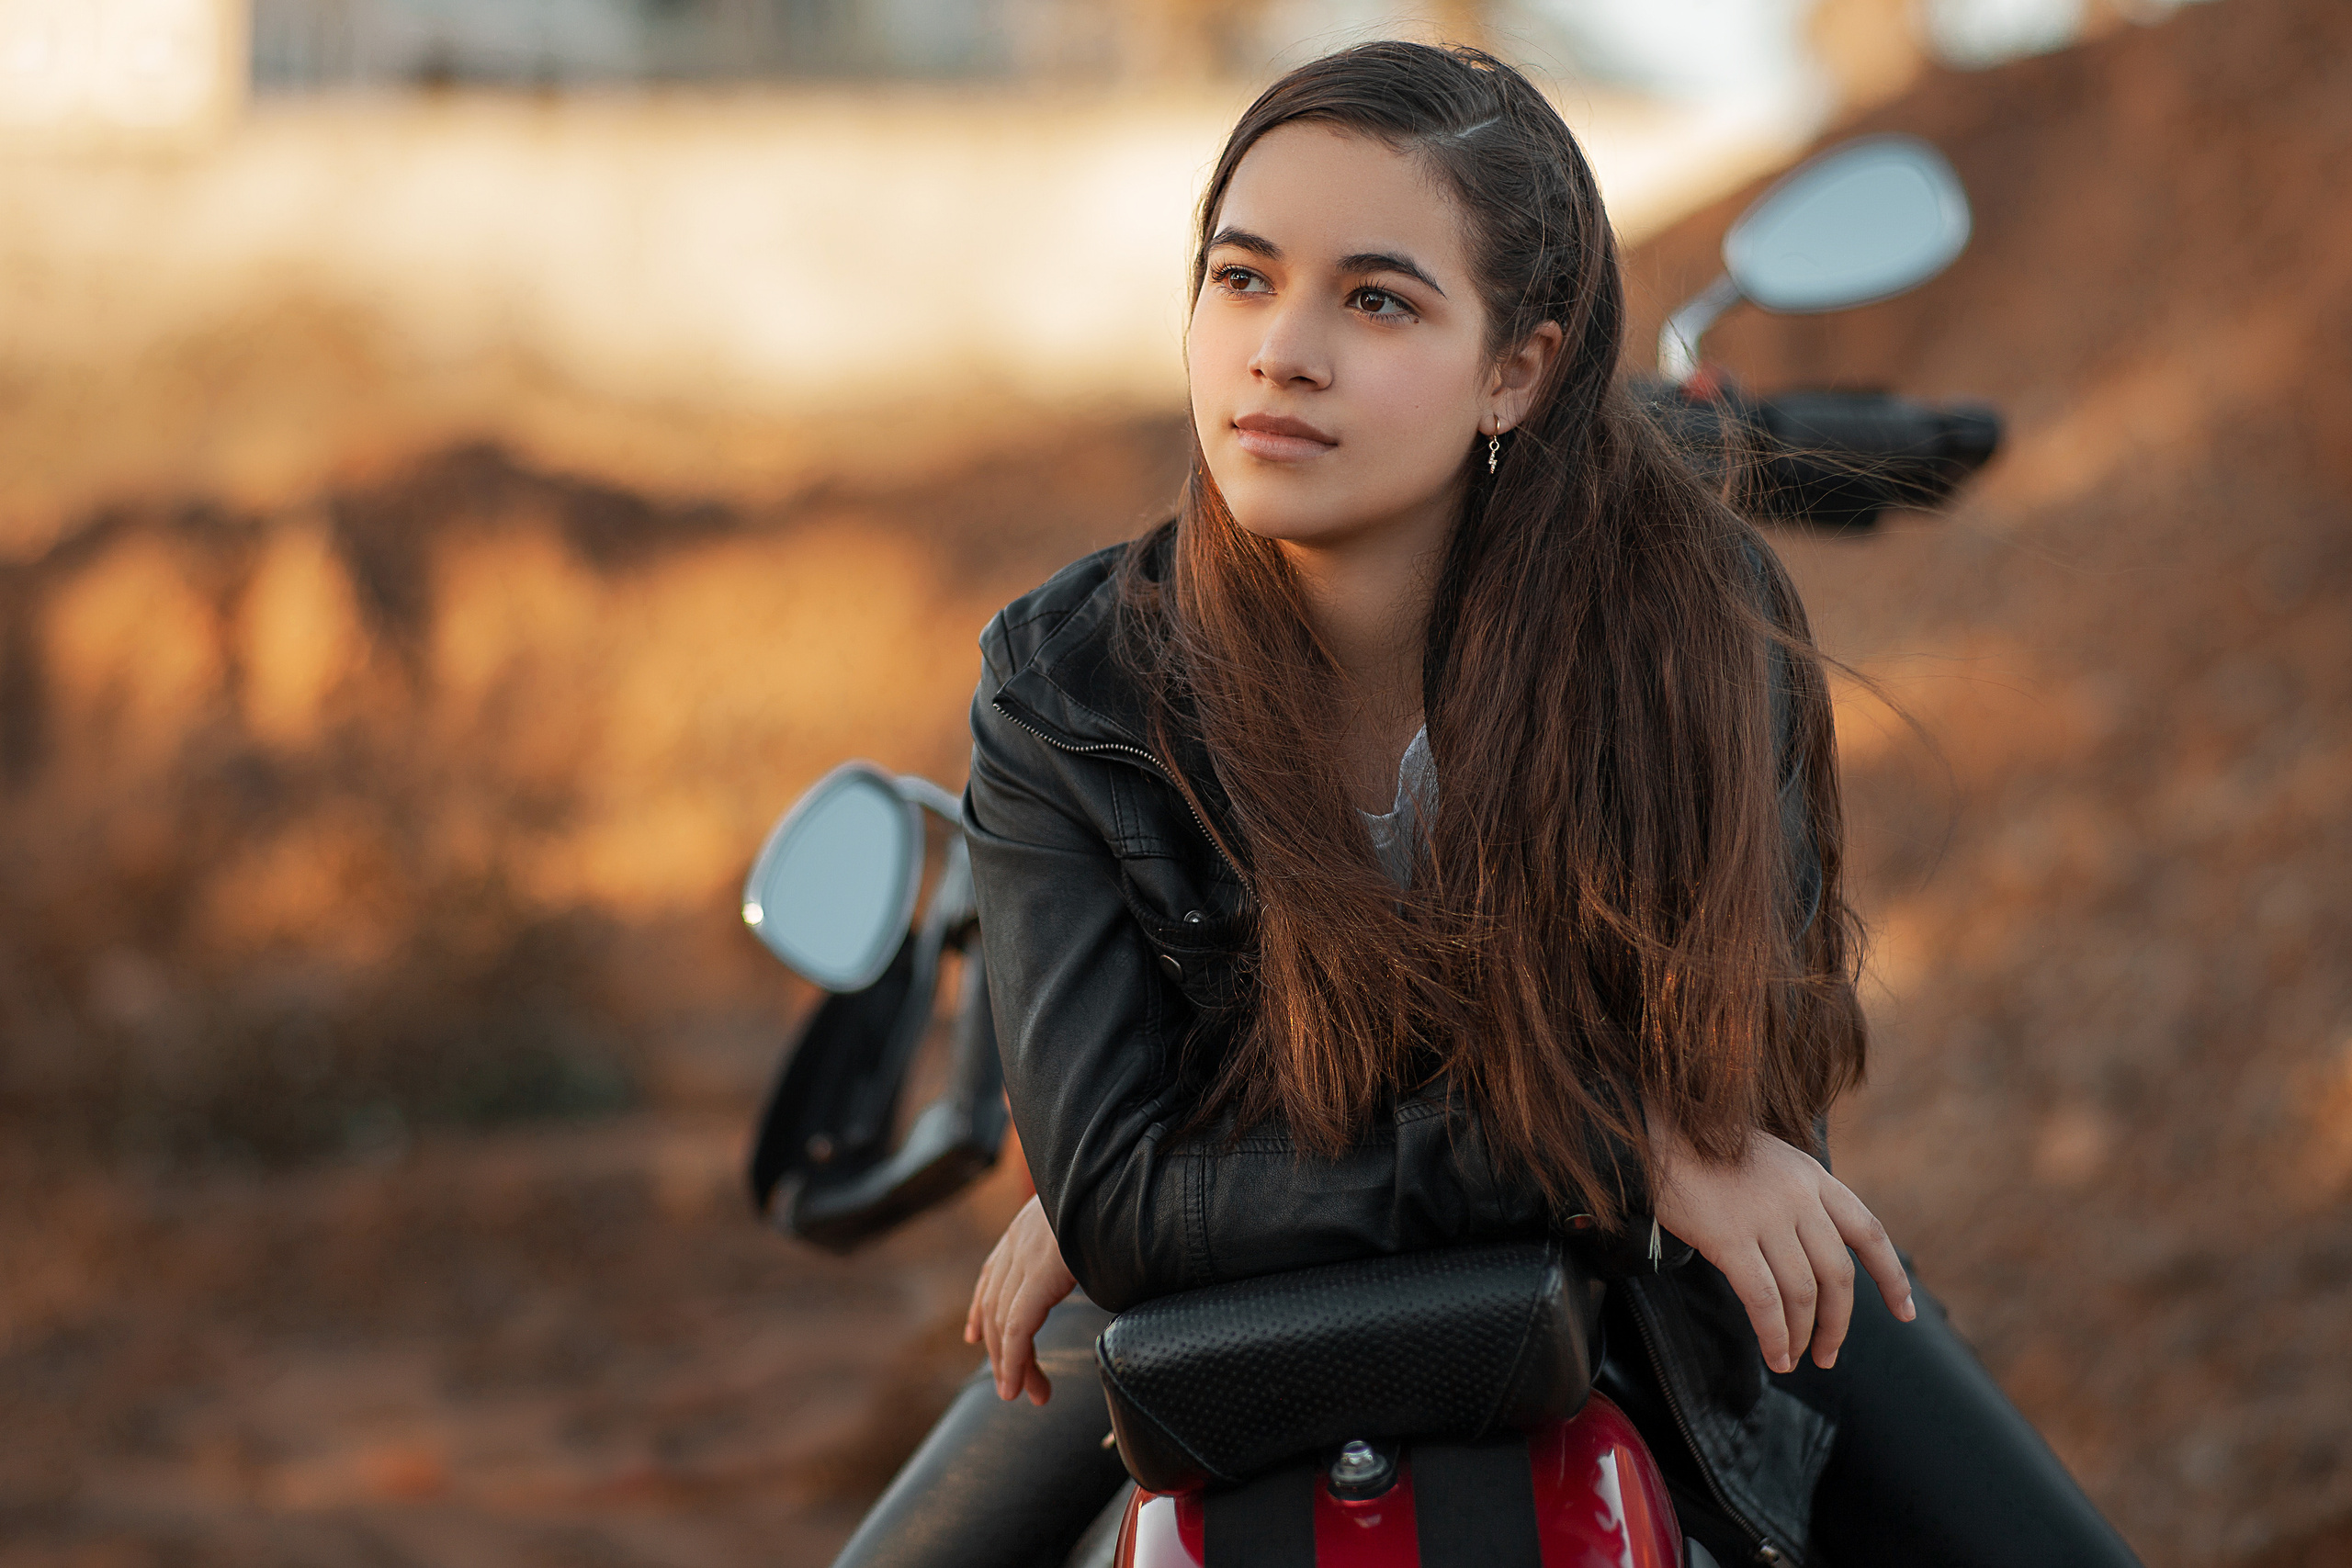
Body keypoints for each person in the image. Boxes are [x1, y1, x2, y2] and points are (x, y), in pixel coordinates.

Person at [836, 39, 2143, 1568]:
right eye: (1241, 279)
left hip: (1653, 1300)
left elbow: (1746, 1091)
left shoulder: (1693, 626)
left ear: (1517, 366)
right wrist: (1617, 1144)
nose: (1281, 351)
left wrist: (1201, 1181)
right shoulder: (1065, 684)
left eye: (1376, 300)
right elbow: (1126, 1204)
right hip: (1221, 1319)